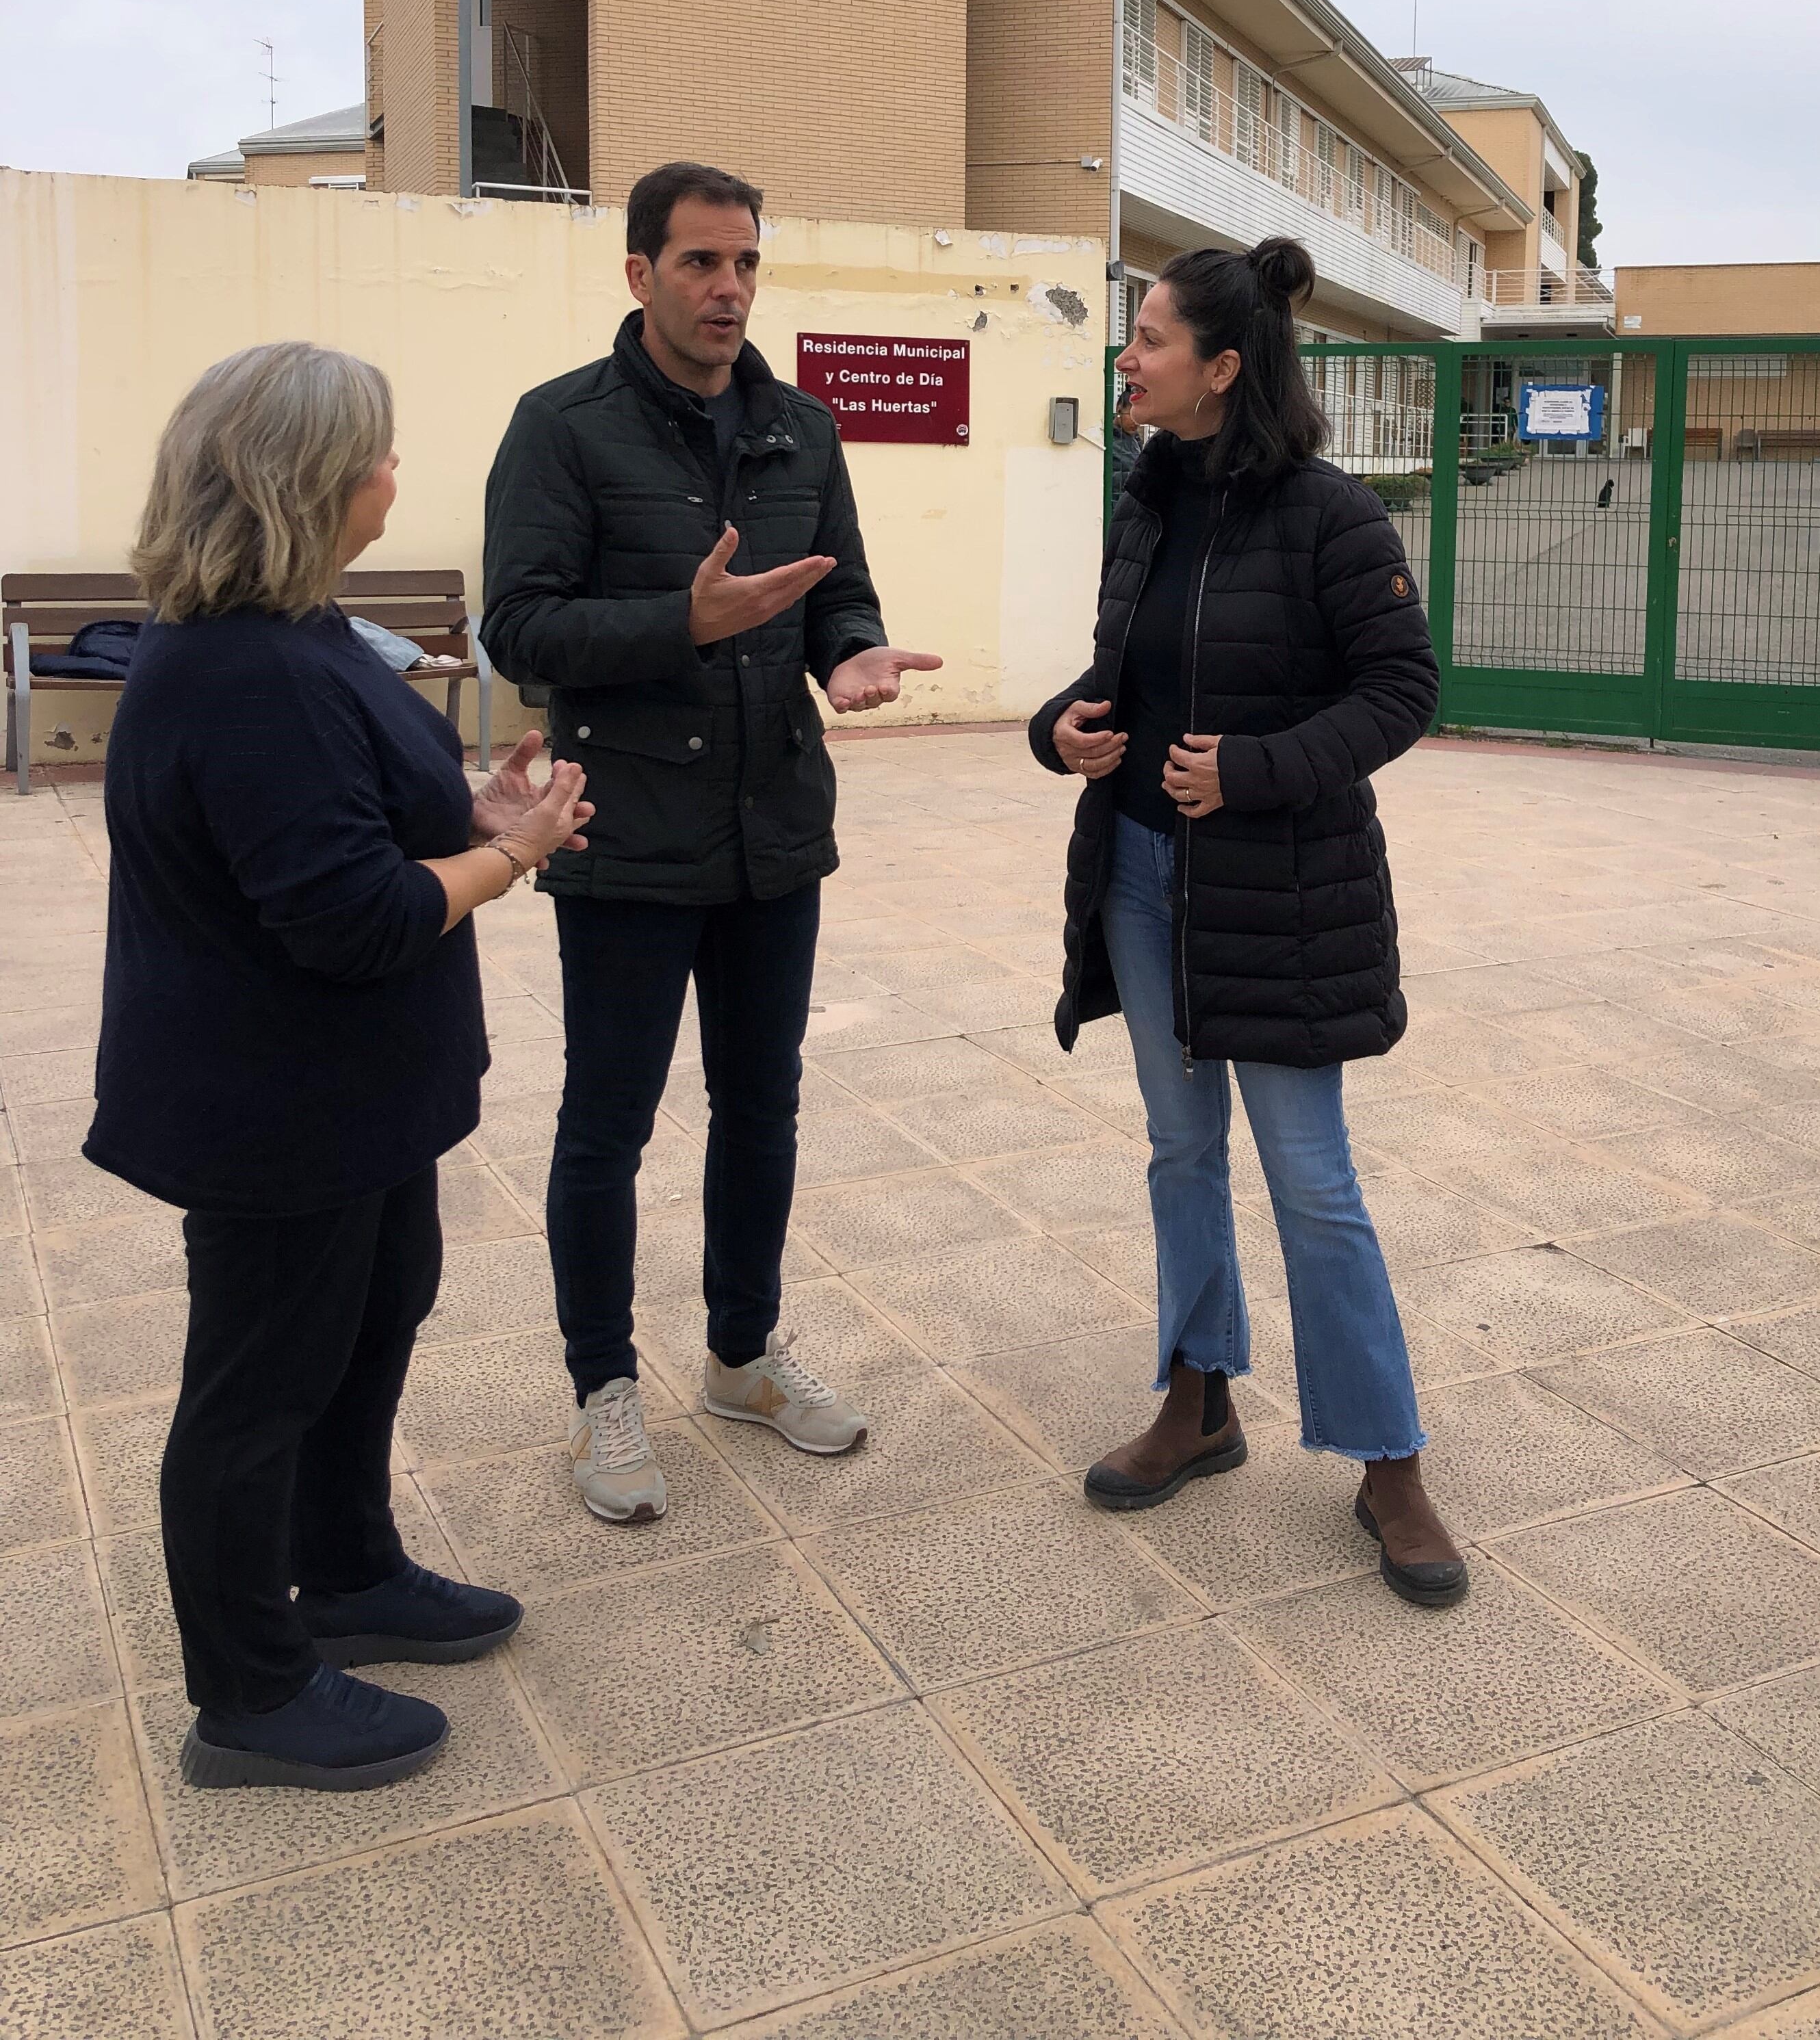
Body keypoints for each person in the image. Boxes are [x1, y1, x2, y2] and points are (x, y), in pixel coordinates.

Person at [88, 342, 591, 1790]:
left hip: (352, 1101)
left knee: (370, 1324)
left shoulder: (296, 635)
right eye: (376, 453)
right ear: (307, 481)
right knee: (255, 1392)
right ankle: (247, 1693)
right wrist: (514, 851)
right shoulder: (250, 672)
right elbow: (350, 916)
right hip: (278, 1110)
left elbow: (356, 833)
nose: (392, 474)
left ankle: (348, 1572)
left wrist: (473, 805)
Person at [482, 160, 940, 1524]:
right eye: (698, 263)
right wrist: (681, 624)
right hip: (623, 835)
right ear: (640, 275)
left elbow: (837, 590)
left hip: (773, 835)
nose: (728, 288)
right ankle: (601, 1392)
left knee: (763, 1106)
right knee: (607, 1125)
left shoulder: (803, 427)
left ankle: (741, 1357)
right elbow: (523, 626)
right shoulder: (560, 428)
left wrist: (849, 655)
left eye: (744, 263)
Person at [1029, 239, 1467, 1606]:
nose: (1130, 357)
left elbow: (1404, 690)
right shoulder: (1146, 495)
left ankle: (1387, 1457)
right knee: (1179, 1151)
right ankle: (1199, 1401)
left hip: (1277, 896)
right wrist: (1064, 732)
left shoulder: (1331, 516)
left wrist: (1256, 771)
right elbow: (1123, 674)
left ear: (1222, 367)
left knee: (1312, 1181)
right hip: (1143, 875)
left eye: (1150, 338)